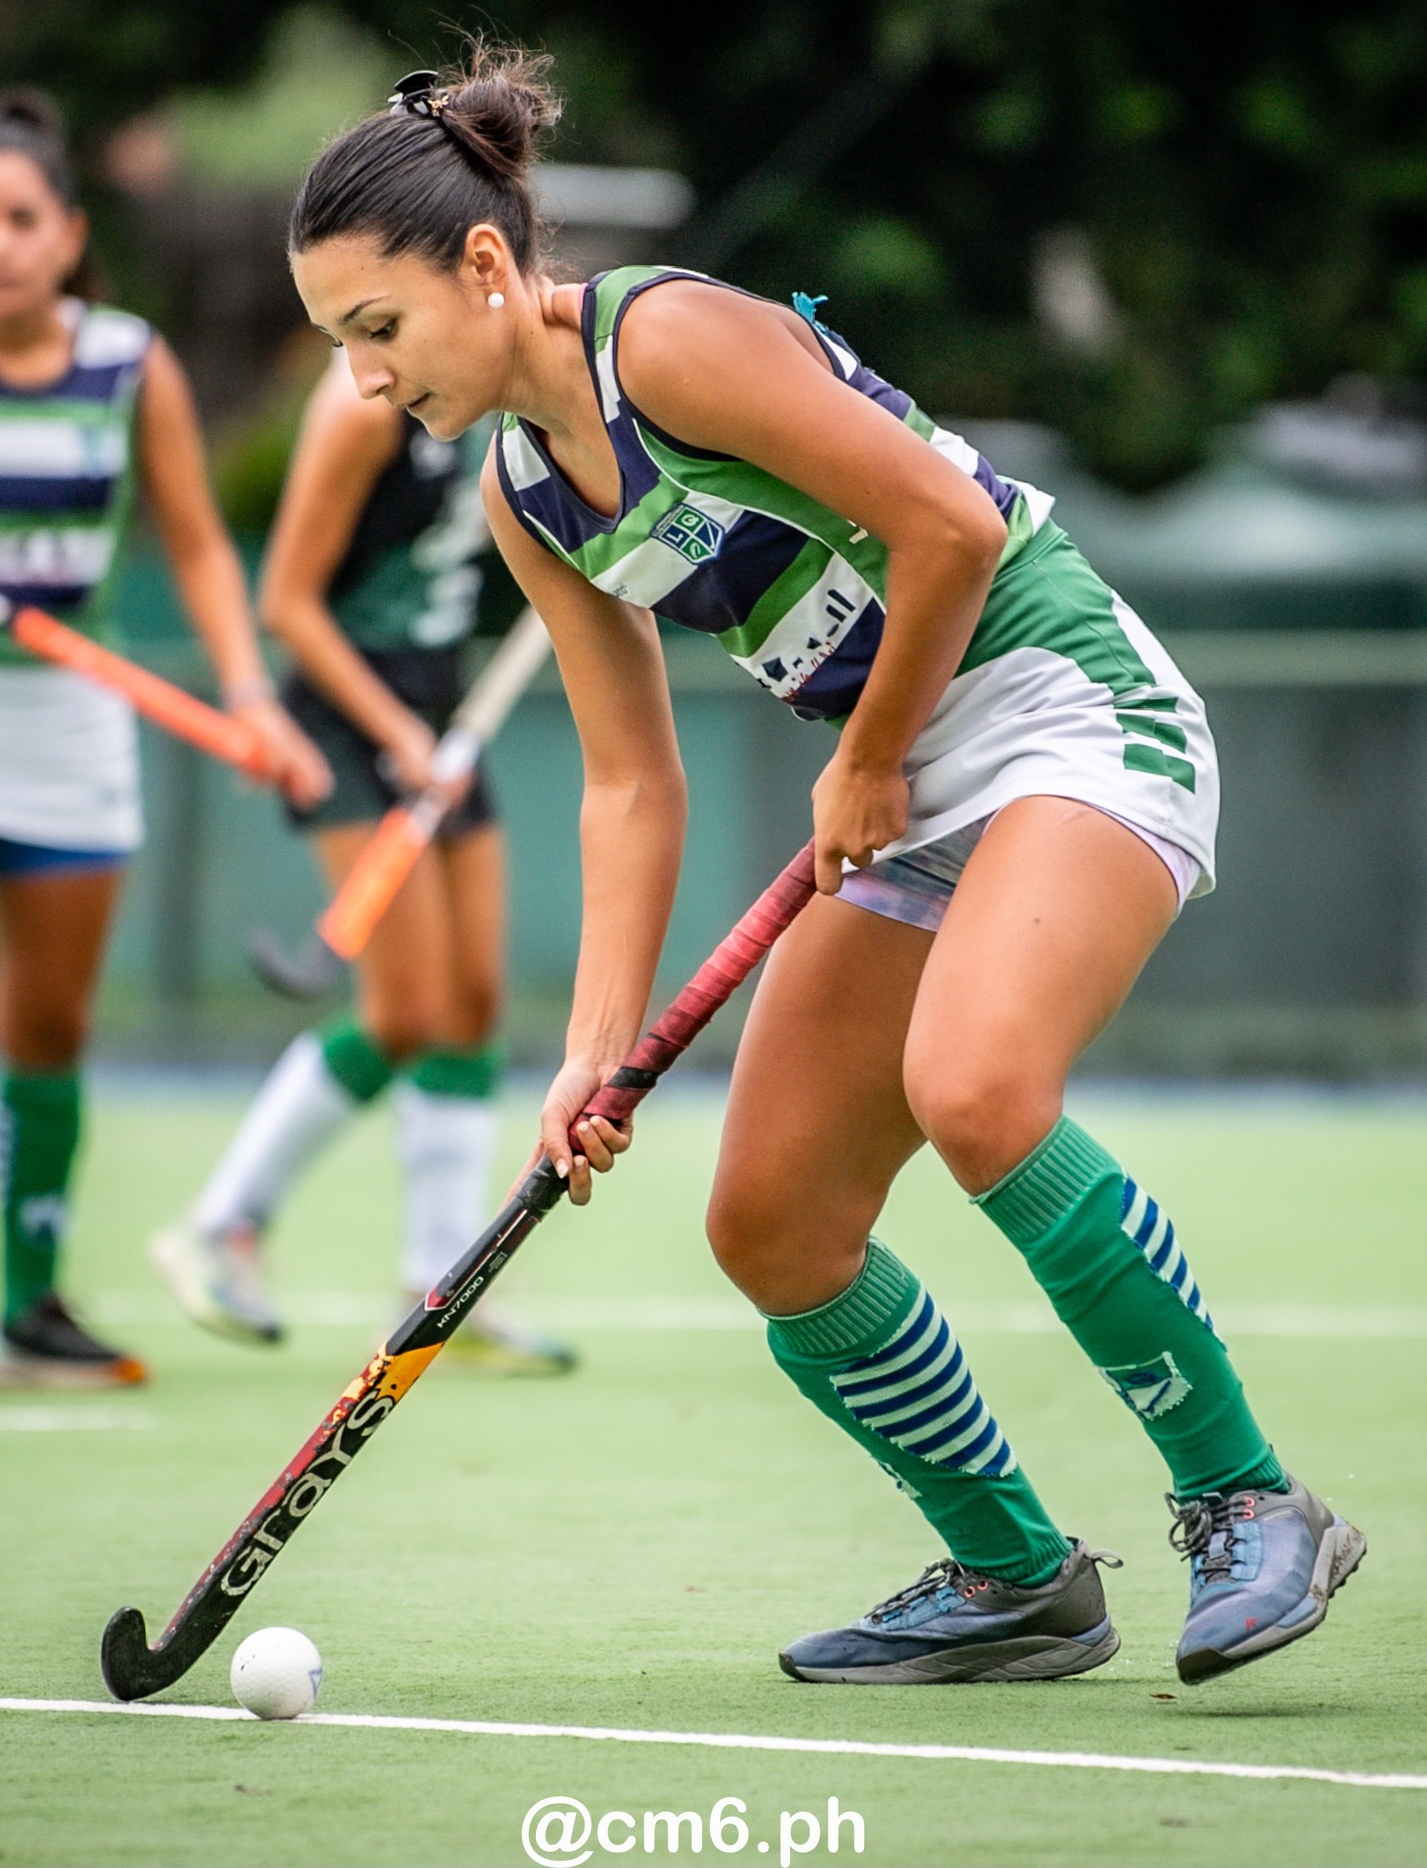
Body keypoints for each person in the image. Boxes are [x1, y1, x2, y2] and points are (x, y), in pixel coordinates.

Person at [282, 52, 1366, 1688]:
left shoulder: (670, 341)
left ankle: (1248, 1496)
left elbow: (950, 528)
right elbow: (627, 781)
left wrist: (862, 754)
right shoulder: (526, 489)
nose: (366, 382)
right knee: (772, 1219)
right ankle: (1015, 1577)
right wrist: (592, 1042)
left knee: (977, 1084)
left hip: (1063, 712)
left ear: (485, 267)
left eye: (379, 331)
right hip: (908, 784)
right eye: (339, 350)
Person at [0, 89, 329, 1386]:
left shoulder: (131, 364)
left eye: (21, 219)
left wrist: (252, 696)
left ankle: (32, 1302)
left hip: (70, 723)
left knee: (45, 1027)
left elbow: (197, 542)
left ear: (68, 232)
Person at [149, 356, 575, 1374]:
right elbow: (288, 602)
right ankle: (220, 1224)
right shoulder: (360, 406)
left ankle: (440, 1283)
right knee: (402, 1008)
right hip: (345, 717)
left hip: (441, 707)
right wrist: (392, 730)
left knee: (470, 999)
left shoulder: (512, 393)